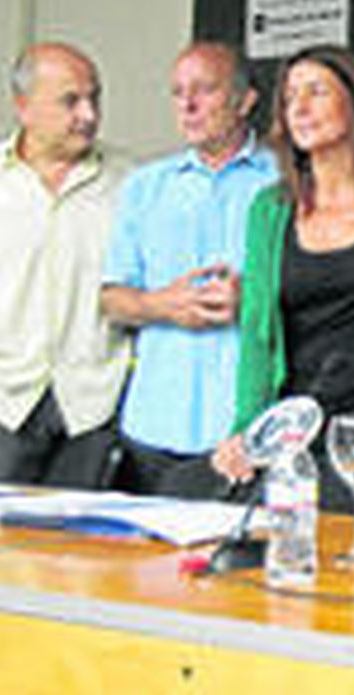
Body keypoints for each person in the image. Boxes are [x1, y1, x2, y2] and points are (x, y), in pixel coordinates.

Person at [0, 42, 131, 486]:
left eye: (94, 98)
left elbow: (150, 290)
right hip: (3, 403)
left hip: (95, 404)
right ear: (23, 106)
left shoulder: (130, 182)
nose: (89, 114)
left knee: (82, 531)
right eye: (71, 101)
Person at [212, 45, 354, 516]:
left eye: (316, 92)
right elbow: (257, 334)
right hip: (297, 433)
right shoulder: (271, 208)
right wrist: (245, 429)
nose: (299, 108)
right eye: (289, 98)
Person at [100, 43, 277, 495]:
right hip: (155, 423)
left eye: (204, 90)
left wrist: (254, 299)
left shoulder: (285, 181)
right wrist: (161, 305)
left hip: (248, 430)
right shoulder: (144, 187)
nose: (188, 105)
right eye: (178, 92)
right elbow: (111, 299)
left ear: (245, 100)